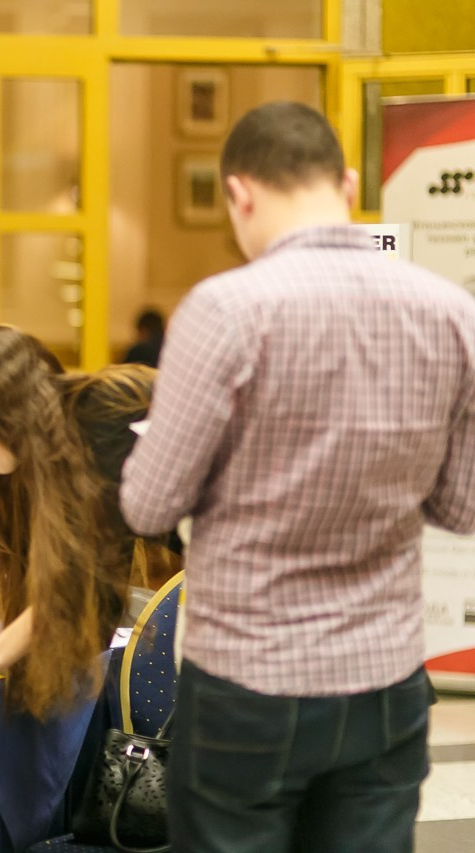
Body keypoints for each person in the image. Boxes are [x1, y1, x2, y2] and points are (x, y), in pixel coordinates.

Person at [120, 101, 475, 853]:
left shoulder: (224, 310)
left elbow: (149, 502)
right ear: (348, 184)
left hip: (248, 682)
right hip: (385, 683)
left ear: (239, 194)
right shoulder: (450, 312)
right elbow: (463, 504)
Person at [0, 325, 177, 718]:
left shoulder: (100, 420)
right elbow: (95, 610)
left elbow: (72, 586)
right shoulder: (57, 450)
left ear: (3, 408)